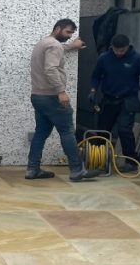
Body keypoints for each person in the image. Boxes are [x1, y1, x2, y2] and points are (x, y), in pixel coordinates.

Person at [27, 19, 98, 181]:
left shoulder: (44, 43)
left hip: (38, 96)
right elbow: (51, 69)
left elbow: (57, 50)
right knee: (67, 132)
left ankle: (32, 169)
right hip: (52, 97)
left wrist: (72, 46)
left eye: (71, 34)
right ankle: (77, 170)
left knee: (41, 133)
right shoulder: (54, 46)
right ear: (57, 28)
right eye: (67, 32)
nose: (69, 36)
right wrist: (61, 91)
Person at [88, 33, 140, 171]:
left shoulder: (137, 59)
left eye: (122, 50)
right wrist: (92, 91)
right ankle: (100, 160)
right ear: (112, 47)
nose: (119, 53)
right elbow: (96, 76)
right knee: (102, 130)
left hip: (128, 99)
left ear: (128, 47)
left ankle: (131, 161)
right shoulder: (104, 59)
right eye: (116, 50)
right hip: (109, 99)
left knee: (125, 130)